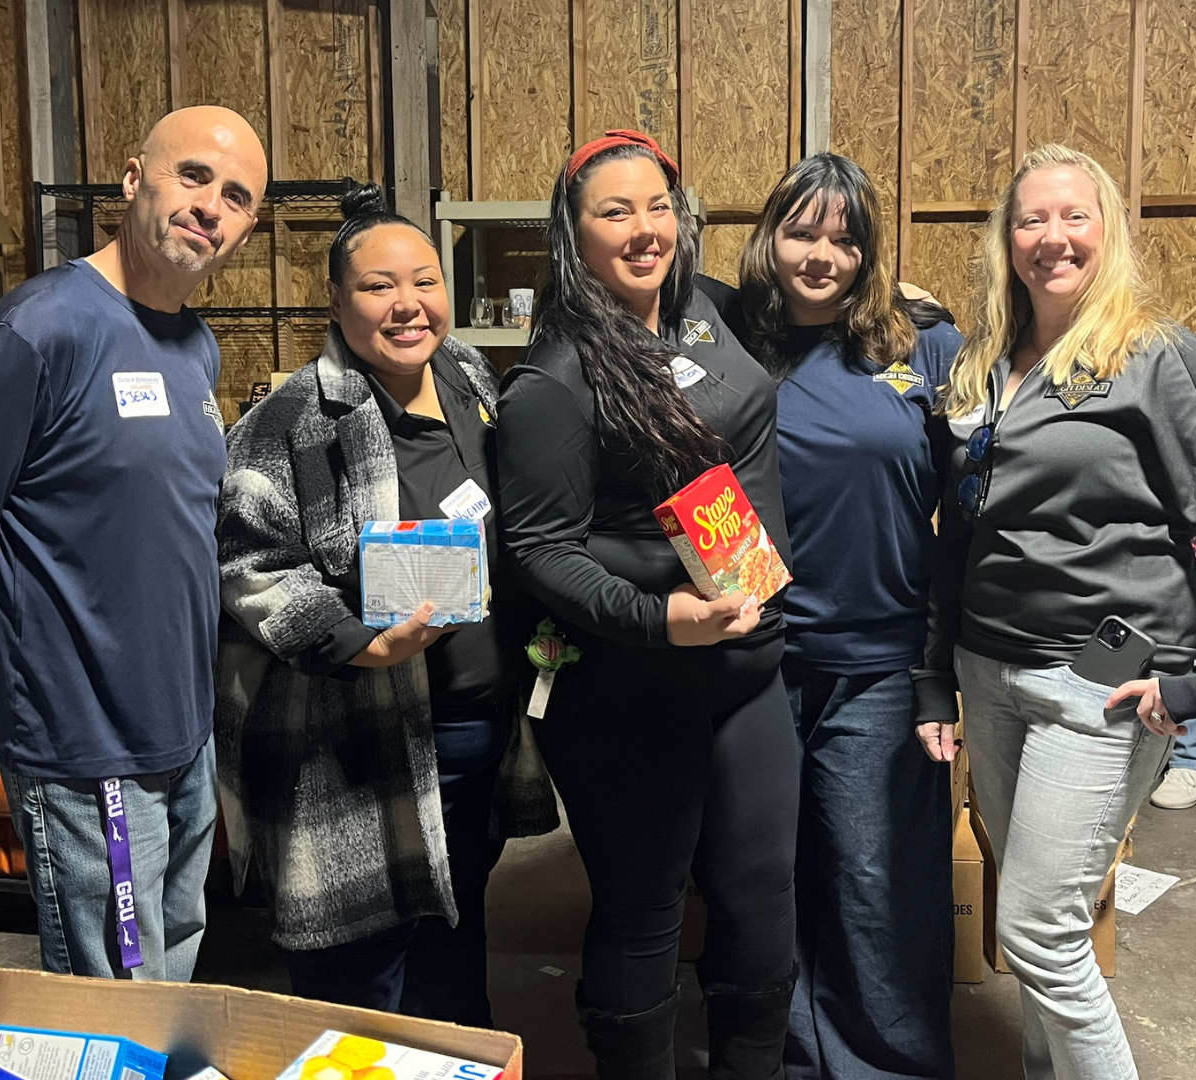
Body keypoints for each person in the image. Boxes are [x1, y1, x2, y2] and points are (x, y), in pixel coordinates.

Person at [913, 143, 1196, 1079]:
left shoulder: (1155, 356)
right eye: (1031, 219)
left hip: (1100, 683)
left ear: (1109, 229)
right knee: (1046, 923)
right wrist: (936, 672)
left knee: (1038, 933)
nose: (1053, 238)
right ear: (1007, 241)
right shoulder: (990, 363)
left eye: (1073, 216)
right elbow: (957, 537)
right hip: (988, 675)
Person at [0, 106, 268, 981]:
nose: (212, 205)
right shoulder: (39, 331)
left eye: (238, 196)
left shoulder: (195, 347)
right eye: (194, 176)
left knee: (172, 962)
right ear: (132, 179)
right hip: (84, 736)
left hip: (181, 725)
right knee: (113, 989)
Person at [213, 184, 557, 1026]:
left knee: (454, 950)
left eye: (425, 281)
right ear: (336, 300)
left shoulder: (470, 377)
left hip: (475, 731)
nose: (408, 305)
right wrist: (354, 640)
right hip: (353, 745)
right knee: (361, 985)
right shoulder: (291, 420)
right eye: (377, 286)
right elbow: (249, 564)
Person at [495, 129, 799, 1080]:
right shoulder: (557, 374)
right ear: (572, 235)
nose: (643, 230)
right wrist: (658, 618)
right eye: (613, 212)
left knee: (759, 898)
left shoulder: (710, 313)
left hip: (749, 672)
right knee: (644, 907)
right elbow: (540, 549)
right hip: (632, 685)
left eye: (657, 207)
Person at [726, 153, 962, 1080]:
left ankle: (888, 1065)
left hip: (881, 667)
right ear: (769, 236)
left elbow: (969, 518)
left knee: (877, 886)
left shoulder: (919, 347)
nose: (822, 253)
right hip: (757, 659)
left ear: (871, 251)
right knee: (769, 884)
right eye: (802, 230)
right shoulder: (724, 339)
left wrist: (939, 667)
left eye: (845, 236)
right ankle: (788, 1060)